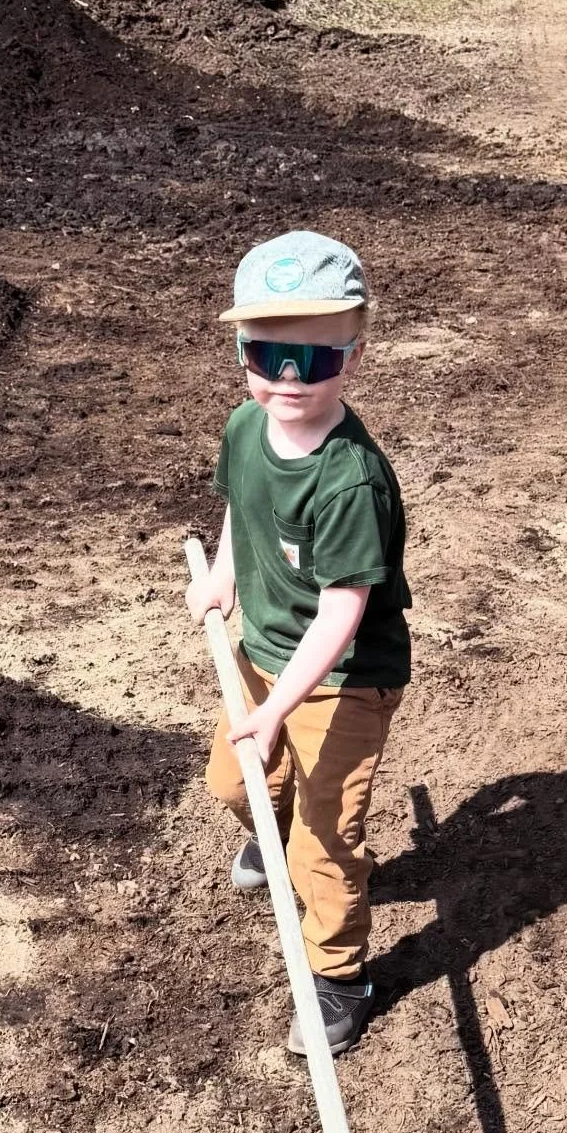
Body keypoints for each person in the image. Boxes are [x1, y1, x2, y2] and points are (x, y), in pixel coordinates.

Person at [186, 230, 411, 1056]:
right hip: (266, 650)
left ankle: (340, 980)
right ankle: (270, 830)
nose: (287, 379)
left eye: (312, 361)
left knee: (326, 840)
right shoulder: (247, 427)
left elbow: (343, 613)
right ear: (242, 350)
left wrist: (280, 707)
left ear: (353, 356)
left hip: (343, 675)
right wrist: (224, 575)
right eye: (266, 355)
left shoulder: (350, 479)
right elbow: (244, 509)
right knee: (230, 780)